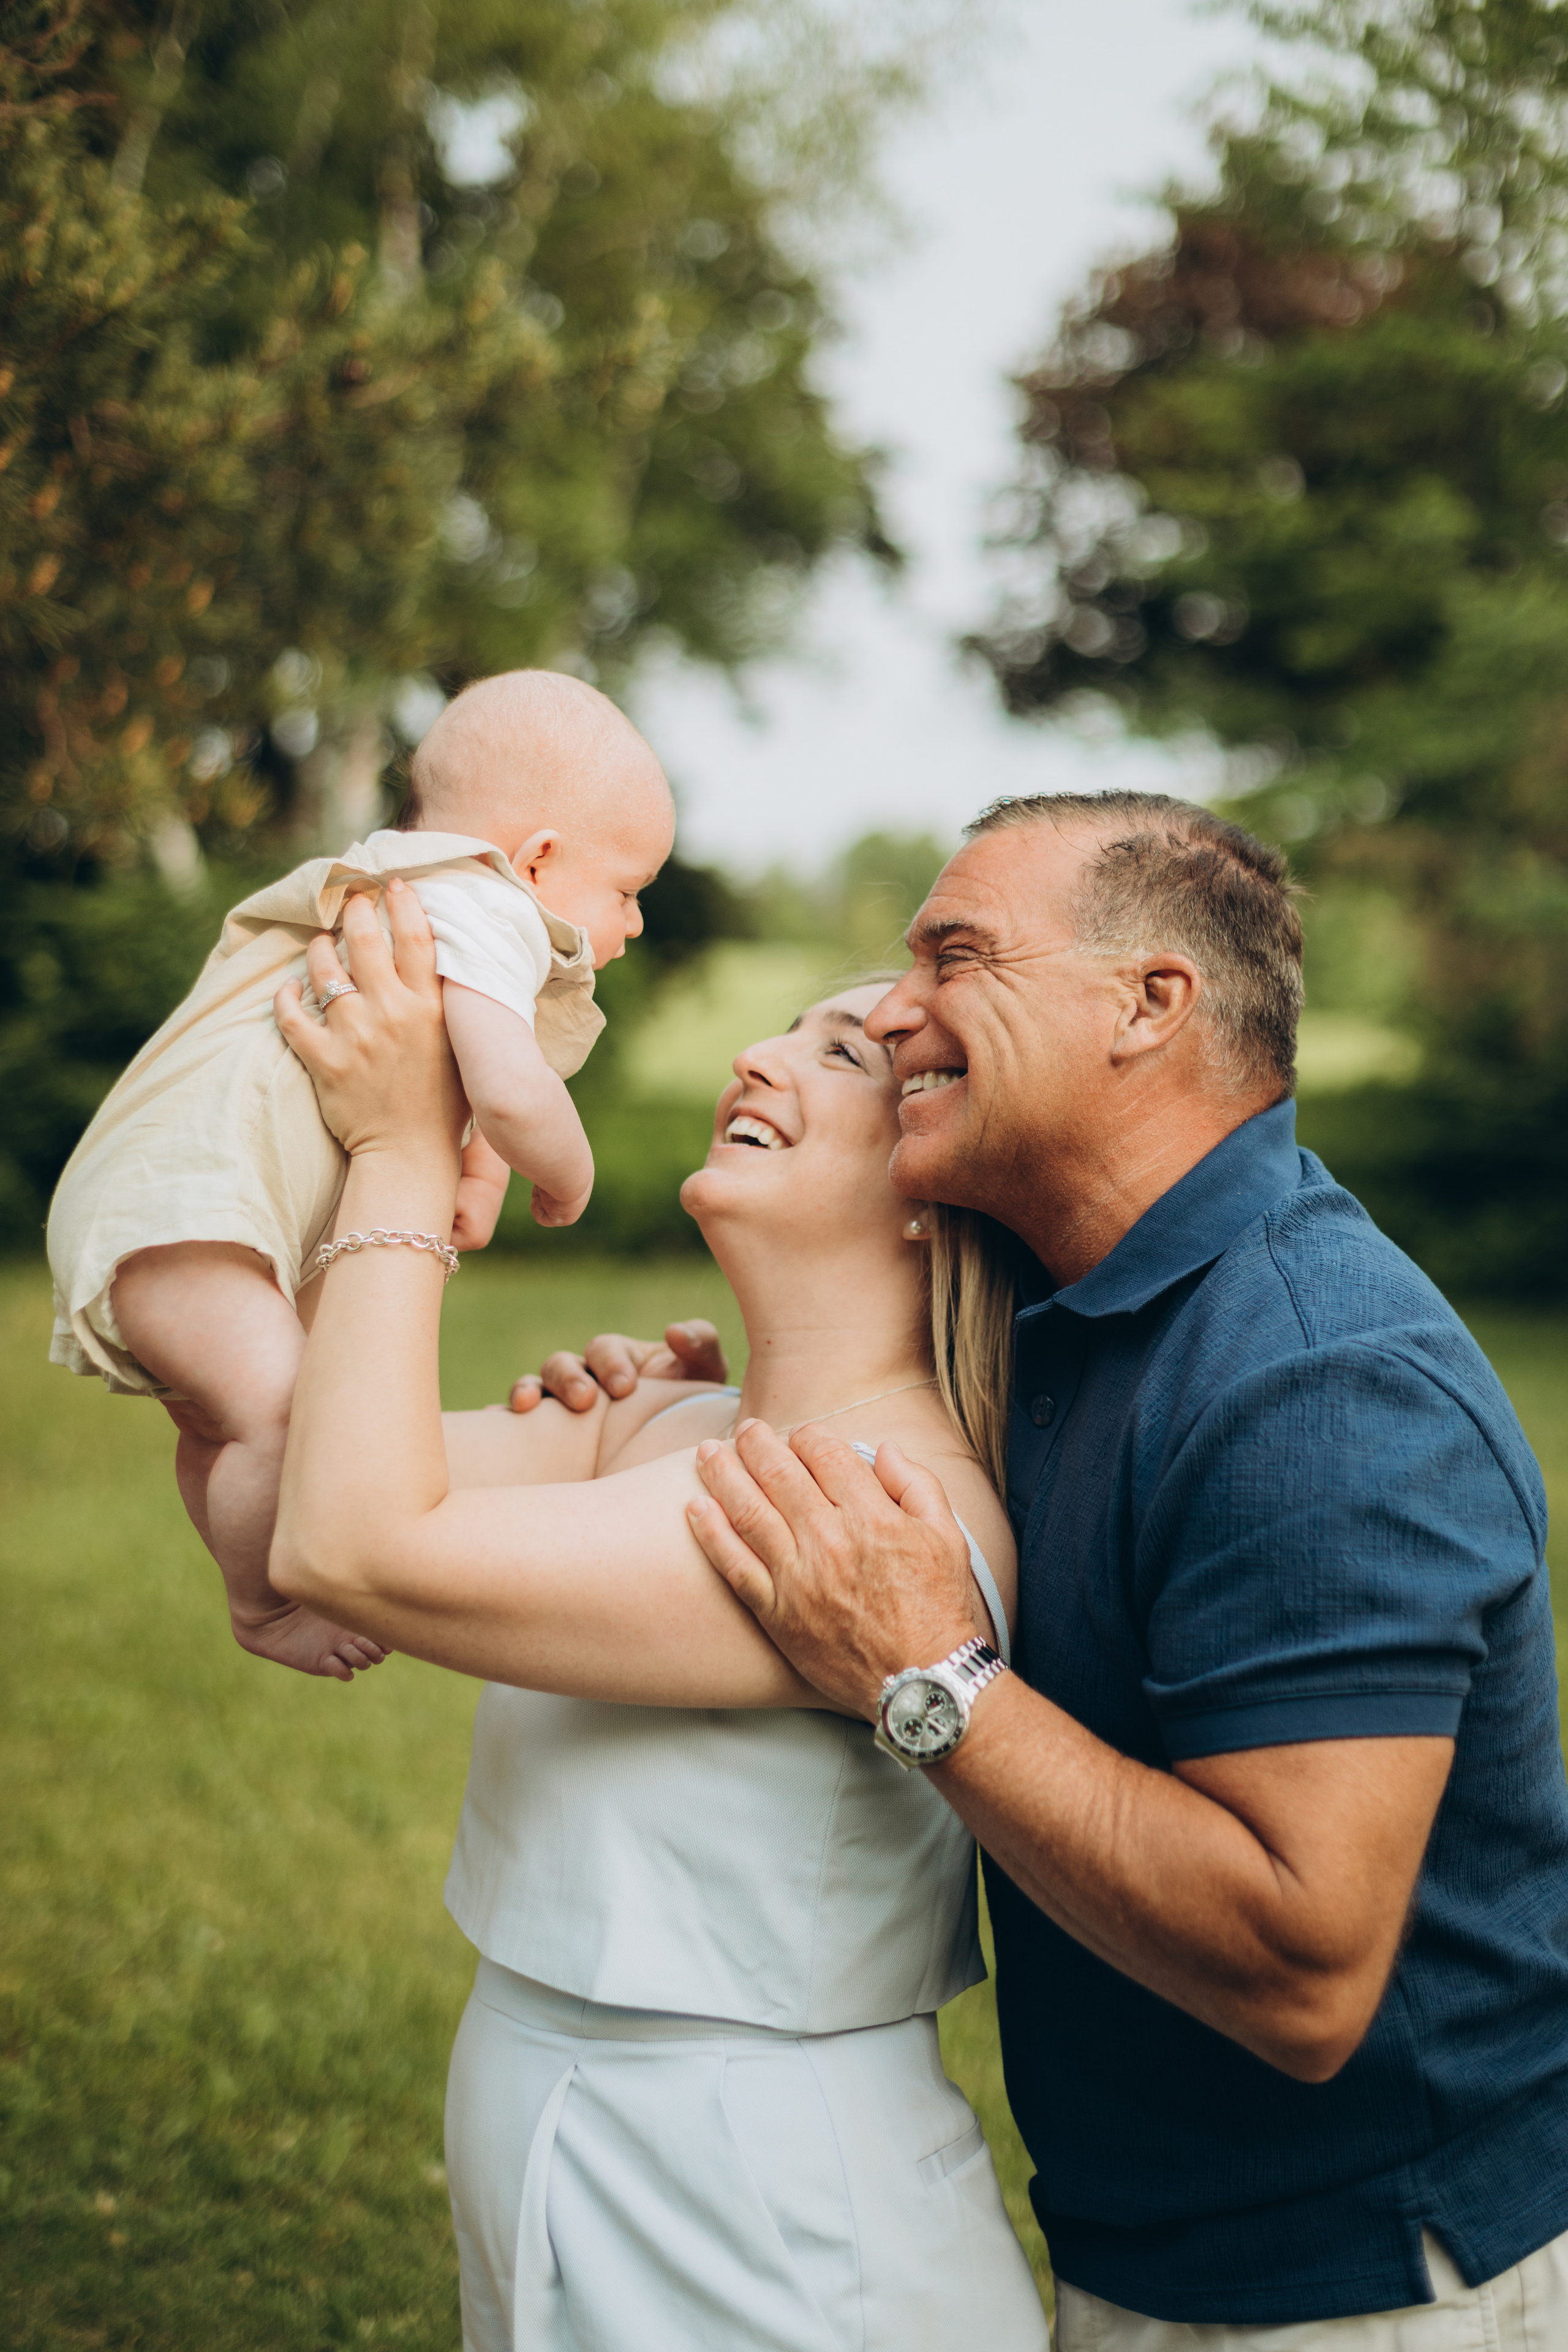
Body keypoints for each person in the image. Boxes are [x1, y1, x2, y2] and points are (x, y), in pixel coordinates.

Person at [549, 793, 1567, 2350]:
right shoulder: (1062, 1301)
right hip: (1139, 2242)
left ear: (1147, 1003)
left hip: (1365, 2285)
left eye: (953, 958)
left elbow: (1303, 1975)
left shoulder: (1316, 1385)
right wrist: (693, 1397)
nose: (897, 1014)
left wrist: (930, 1678)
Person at [266, 883, 1050, 2351]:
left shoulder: (863, 1513)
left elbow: (342, 1546)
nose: (756, 1055)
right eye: (789, 1030)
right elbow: (264, 1485)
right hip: (559, 2112)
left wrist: (402, 1152)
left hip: (761, 2204)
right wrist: (379, 1171)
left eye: (840, 1056)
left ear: (931, 1185)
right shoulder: (672, 1424)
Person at [45, 669, 674, 1680]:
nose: (635, 923)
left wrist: (476, 1187)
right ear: (538, 859)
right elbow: (509, 1092)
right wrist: (568, 1174)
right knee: (294, 1414)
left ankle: (256, 1577)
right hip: (192, 1214)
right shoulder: (488, 904)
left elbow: (466, 1076)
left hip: (160, 1199)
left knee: (227, 1419)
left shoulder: (402, 889)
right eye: (629, 891)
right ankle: (265, 1607)